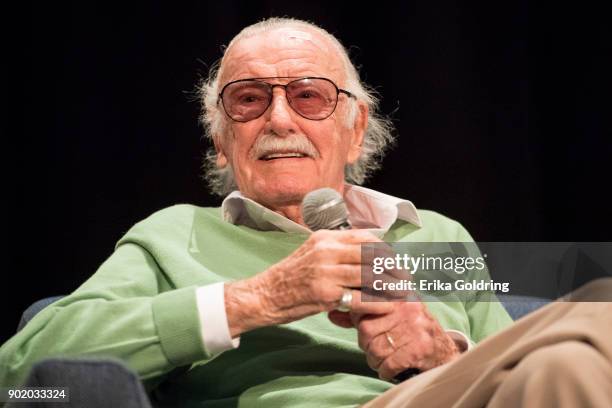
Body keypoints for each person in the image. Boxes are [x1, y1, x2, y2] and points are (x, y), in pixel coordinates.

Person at [1, 17, 611, 407]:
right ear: (220, 138)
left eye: (308, 96)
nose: (279, 119)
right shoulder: (173, 236)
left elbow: (517, 367)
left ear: (354, 129)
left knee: (574, 358)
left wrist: (441, 356)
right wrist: (258, 299)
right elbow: (20, 372)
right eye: (248, 99)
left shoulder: (435, 235)